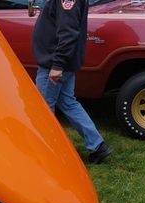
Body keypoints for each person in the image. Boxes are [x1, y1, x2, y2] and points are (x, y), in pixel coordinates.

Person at [31, 0, 112, 164]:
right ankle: (97, 146)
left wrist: (58, 64)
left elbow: (68, 32)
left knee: (44, 109)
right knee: (69, 103)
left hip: (54, 65)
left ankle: (49, 151)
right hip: (60, 64)